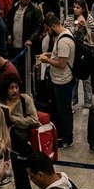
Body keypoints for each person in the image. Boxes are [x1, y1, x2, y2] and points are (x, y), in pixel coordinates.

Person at [37, 13, 75, 148]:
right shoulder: (61, 36)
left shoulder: (64, 41)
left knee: (64, 110)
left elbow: (62, 63)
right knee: (59, 109)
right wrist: (48, 55)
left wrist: (46, 60)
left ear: (53, 26)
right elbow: (58, 55)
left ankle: (67, 138)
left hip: (63, 80)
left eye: (48, 29)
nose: (47, 32)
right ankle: (61, 134)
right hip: (58, 79)